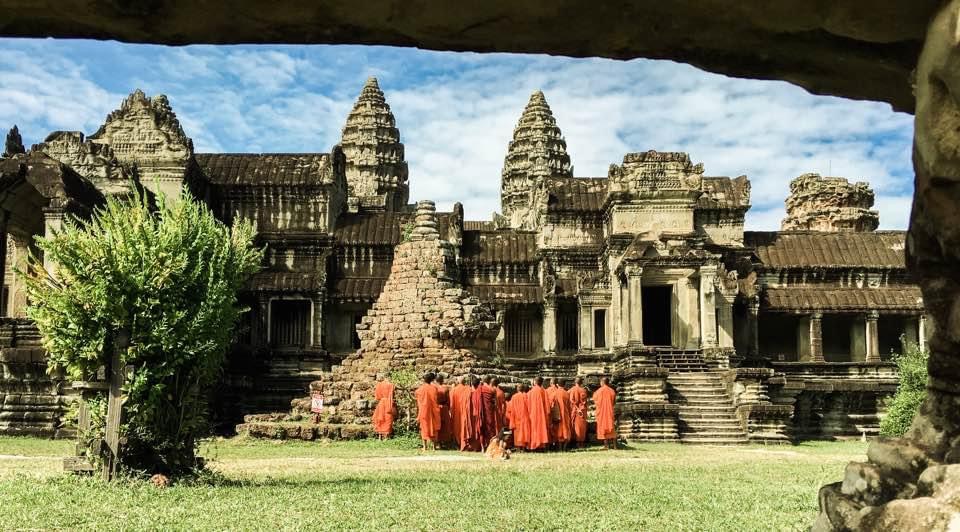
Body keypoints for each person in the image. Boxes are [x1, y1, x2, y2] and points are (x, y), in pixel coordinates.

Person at [415, 372, 441, 451]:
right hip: (433, 410)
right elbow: (436, 398)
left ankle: (425, 447)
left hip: (424, 410)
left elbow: (417, 396)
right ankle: (433, 447)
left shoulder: (420, 389)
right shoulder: (434, 388)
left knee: (424, 427)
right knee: (433, 427)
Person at [471, 376, 497, 450]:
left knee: (481, 428)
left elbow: (474, 402)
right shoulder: (491, 390)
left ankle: (482, 447)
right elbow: (494, 403)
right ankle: (489, 446)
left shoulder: (477, 391)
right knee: (490, 429)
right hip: (488, 412)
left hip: (479, 413)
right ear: (489, 381)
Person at [450, 376, 475, 451]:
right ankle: (466, 443)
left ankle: (459, 443)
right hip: (466, 412)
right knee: (465, 426)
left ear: (458, 382)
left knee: (458, 427)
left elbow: (451, 403)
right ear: (464, 382)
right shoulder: (468, 389)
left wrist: (451, 412)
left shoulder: (453, 390)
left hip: (457, 412)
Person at [526, 376, 551, 451]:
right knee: (541, 429)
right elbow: (547, 406)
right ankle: (541, 445)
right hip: (542, 414)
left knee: (534, 429)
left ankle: (533, 445)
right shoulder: (544, 391)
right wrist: (547, 413)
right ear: (542, 383)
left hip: (532, 414)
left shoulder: (530, 392)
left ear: (534, 382)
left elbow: (527, 404)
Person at [593, 377, 617, 450]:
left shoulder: (598, 392)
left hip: (602, 413)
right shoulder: (612, 391)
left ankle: (606, 445)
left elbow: (596, 402)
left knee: (603, 428)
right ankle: (615, 446)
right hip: (609, 412)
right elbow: (614, 402)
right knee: (611, 427)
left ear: (602, 382)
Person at [548, 377, 573, 451]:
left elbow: (551, 404)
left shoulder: (555, 393)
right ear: (564, 385)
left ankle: (559, 448)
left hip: (558, 415)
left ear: (557, 384)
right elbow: (569, 405)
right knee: (566, 431)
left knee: (558, 431)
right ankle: (564, 448)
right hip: (566, 414)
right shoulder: (567, 393)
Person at [371, 373, 397, 440]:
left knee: (380, 418)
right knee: (388, 419)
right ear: (389, 377)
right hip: (388, 402)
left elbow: (377, 396)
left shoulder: (379, 385)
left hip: (381, 403)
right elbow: (393, 395)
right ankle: (386, 437)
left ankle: (380, 437)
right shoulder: (391, 385)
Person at [506, 382, 530, 450]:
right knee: (525, 432)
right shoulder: (526, 396)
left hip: (517, 418)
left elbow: (510, 408)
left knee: (517, 433)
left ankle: (519, 448)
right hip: (525, 417)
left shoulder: (514, 397)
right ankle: (524, 447)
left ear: (518, 389)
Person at [568, 377, 588, 448]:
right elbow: (584, 402)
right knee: (581, 427)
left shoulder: (571, 390)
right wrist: (579, 409)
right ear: (581, 383)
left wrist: (576, 408)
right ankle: (581, 443)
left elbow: (570, 401)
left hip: (574, 410)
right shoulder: (584, 390)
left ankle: (574, 442)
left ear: (575, 382)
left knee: (574, 426)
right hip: (582, 410)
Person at [434, 374, 453, 448]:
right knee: (445, 425)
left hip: (436, 407)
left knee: (438, 425)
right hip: (444, 407)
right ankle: (443, 442)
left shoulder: (434, 388)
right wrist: (448, 408)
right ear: (442, 380)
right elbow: (448, 400)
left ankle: (437, 442)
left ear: (436, 380)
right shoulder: (445, 388)